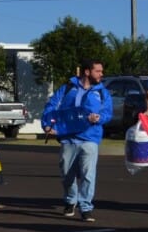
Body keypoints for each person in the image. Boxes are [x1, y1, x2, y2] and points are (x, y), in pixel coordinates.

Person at [40, 59, 112, 222]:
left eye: (101, 71)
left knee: (88, 174)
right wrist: (47, 125)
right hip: (68, 139)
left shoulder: (102, 92)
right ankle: (70, 200)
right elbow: (51, 107)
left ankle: (86, 207)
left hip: (90, 139)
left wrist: (99, 118)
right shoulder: (67, 89)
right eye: (98, 71)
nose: (102, 74)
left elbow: (107, 113)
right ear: (87, 72)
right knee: (67, 174)